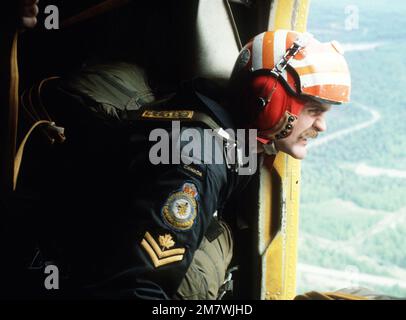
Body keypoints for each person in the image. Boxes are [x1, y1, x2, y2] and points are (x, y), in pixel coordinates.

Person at [10, 2, 351, 300]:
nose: (321, 126)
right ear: (268, 101)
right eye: (314, 111)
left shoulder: (212, 115)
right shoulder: (200, 161)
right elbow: (130, 289)